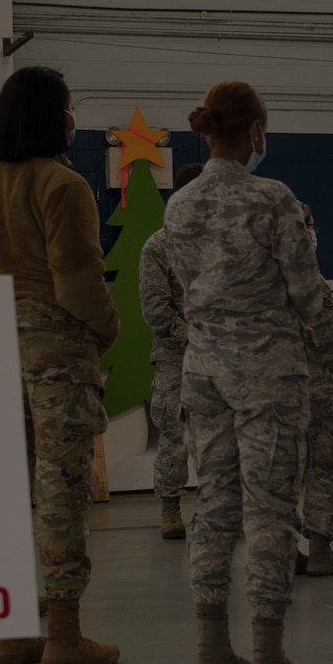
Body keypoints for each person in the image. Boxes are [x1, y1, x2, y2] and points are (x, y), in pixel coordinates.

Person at [164, 80, 333, 664]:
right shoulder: (273, 198)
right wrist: (324, 342)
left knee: (212, 502)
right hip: (268, 370)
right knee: (270, 507)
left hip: (203, 366)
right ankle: (269, 657)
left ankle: (213, 652)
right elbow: (306, 289)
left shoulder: (178, 205)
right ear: (257, 130)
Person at [0, 66, 122, 664]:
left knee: (8, 489)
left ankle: (12, 631)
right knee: (61, 486)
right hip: (54, 342)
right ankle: (66, 636)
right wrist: (105, 329)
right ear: (56, 116)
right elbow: (76, 275)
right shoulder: (62, 183)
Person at [141, 162, 202, 542]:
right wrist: (196, 337)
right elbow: (155, 310)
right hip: (175, 357)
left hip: (220, 357)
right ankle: (170, 508)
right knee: (175, 435)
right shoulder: (158, 246)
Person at [294, 201, 333, 577]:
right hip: (314, 391)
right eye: (312, 225)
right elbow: (330, 350)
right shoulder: (311, 283)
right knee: (322, 467)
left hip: (267, 396)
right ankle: (320, 550)